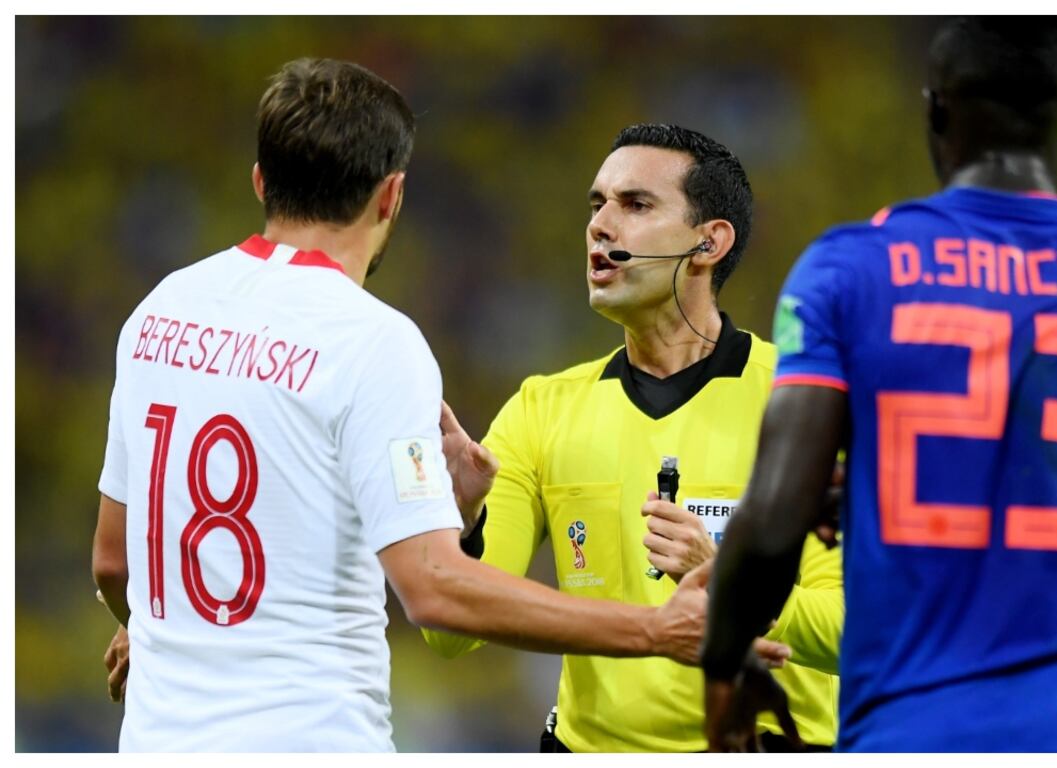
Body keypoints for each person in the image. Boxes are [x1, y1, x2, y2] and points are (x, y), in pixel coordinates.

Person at [89, 58, 746, 752]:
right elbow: (433, 590)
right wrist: (652, 629)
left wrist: (165, 631)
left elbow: (113, 561)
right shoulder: (371, 340)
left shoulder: (162, 310)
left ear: (261, 181)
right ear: (390, 197)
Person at [701, 17, 1057, 752]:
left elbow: (774, 524)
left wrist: (724, 669)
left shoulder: (850, 270)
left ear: (935, 110)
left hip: (914, 731)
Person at [421, 124, 843, 752]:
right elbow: (453, 633)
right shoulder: (541, 409)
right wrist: (462, 518)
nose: (600, 225)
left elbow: (857, 632)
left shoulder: (804, 406)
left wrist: (734, 588)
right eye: (597, 205)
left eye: (636, 205)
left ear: (709, 242)